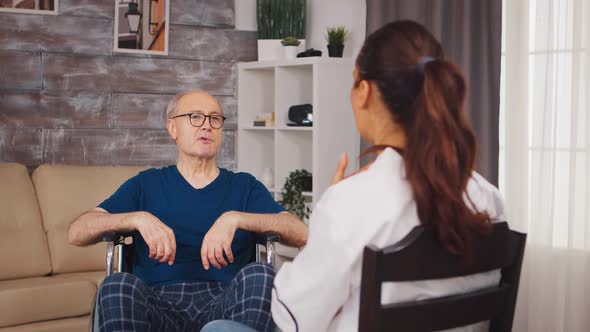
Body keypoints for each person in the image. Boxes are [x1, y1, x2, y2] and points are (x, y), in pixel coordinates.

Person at [267, 20, 506, 331]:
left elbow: (293, 319)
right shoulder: (489, 199)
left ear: (364, 91)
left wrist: (327, 218)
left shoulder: (351, 203)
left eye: (352, 81)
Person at [68, 90, 308, 332]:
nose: (206, 126)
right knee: (115, 285)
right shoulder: (146, 184)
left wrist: (235, 218)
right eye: (195, 117)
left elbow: (300, 233)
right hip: (157, 301)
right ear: (173, 128)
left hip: (226, 301)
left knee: (261, 274)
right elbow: (77, 232)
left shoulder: (244, 186)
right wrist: (138, 219)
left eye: (214, 118)